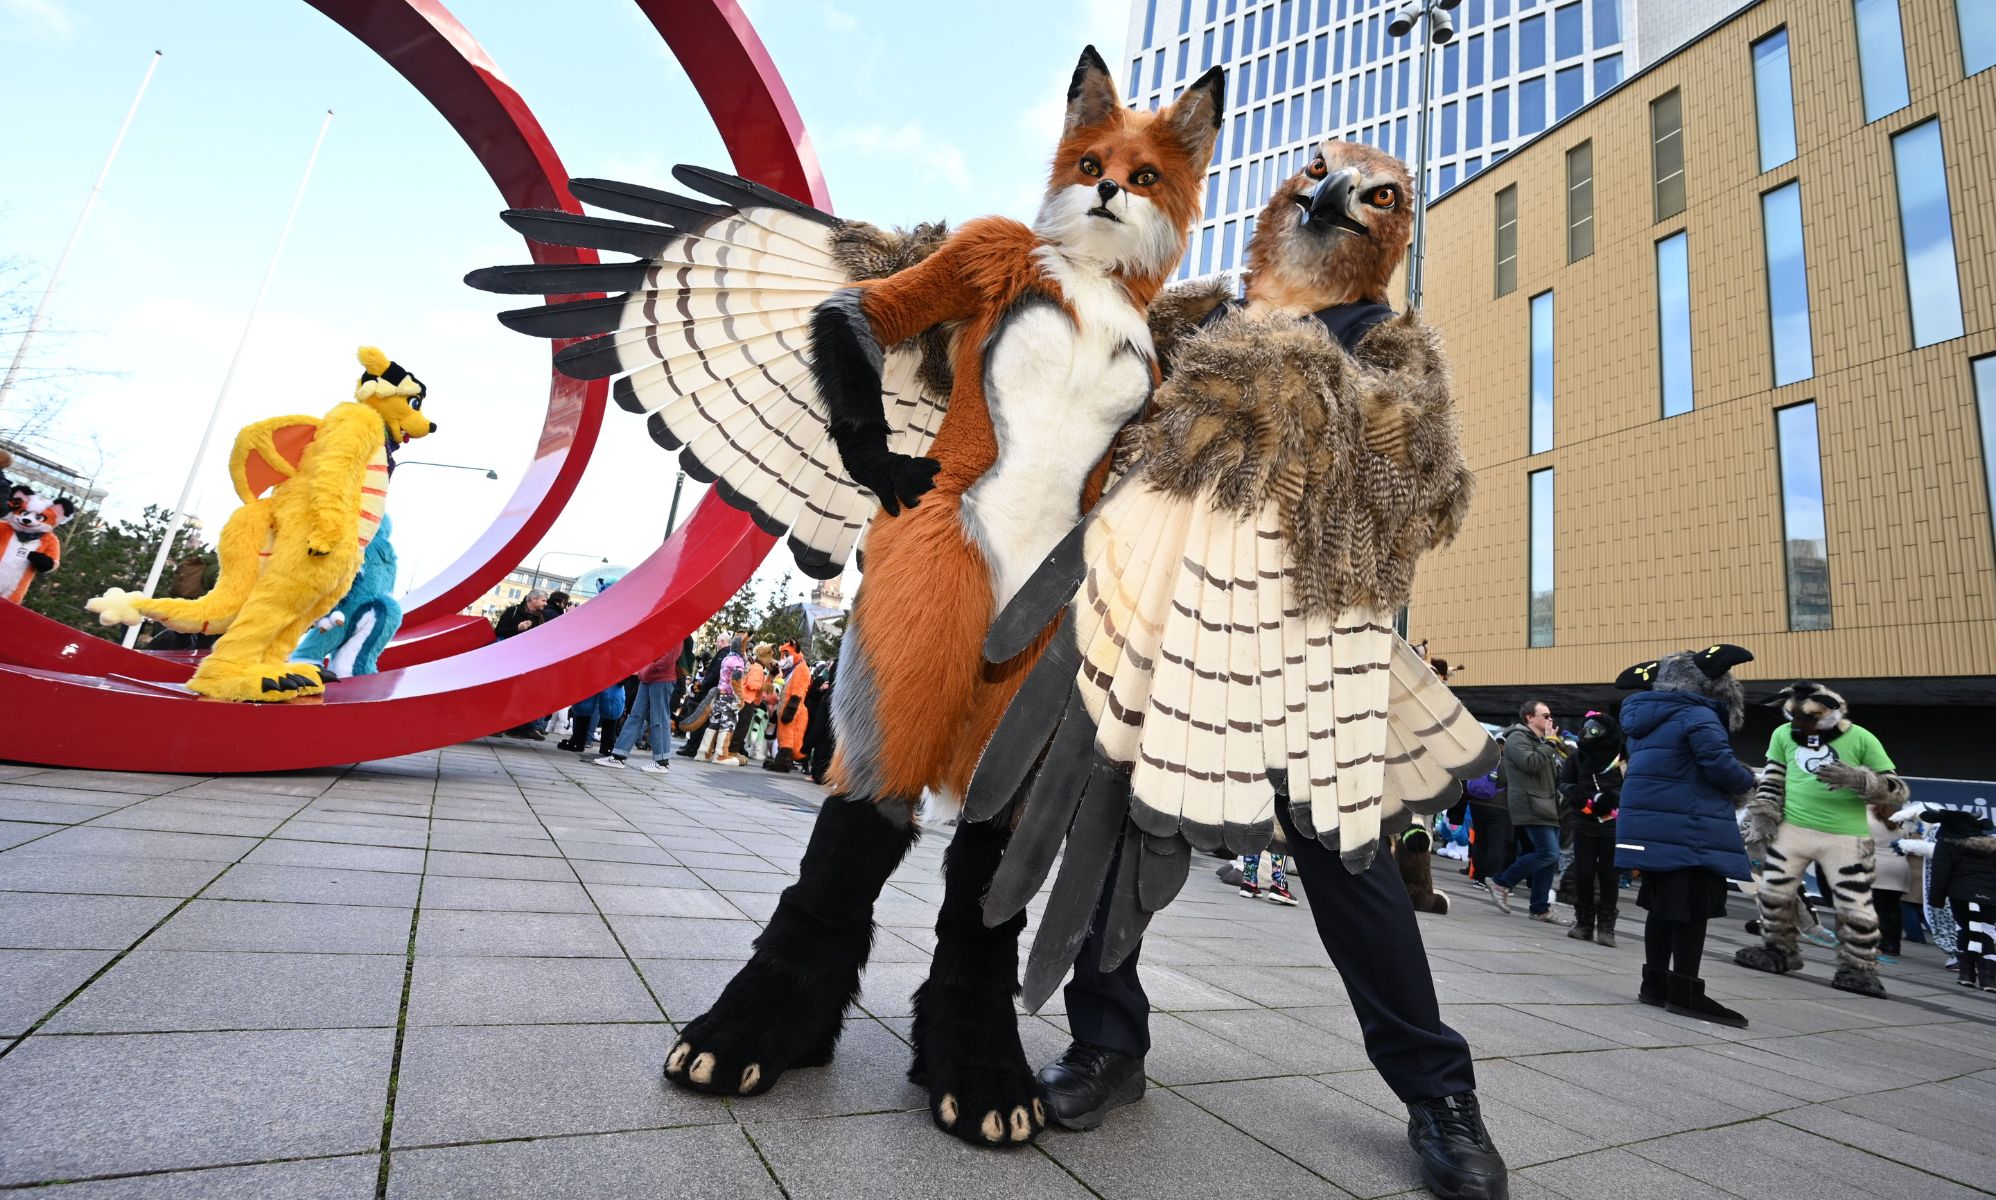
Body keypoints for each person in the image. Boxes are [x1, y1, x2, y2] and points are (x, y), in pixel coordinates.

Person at [1614, 644, 1758, 1029]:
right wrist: (1748, 780)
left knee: (1662, 905)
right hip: (1691, 824)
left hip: (1656, 824)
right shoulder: (1698, 714)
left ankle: (1655, 983)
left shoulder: (1645, 718)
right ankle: (1686, 990)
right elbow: (1718, 764)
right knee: (1694, 907)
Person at [1732, 682, 1904, 998]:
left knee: (1854, 902)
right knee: (1773, 893)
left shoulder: (1861, 737)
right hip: (1792, 830)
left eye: (1810, 718)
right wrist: (1763, 814)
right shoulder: (1782, 734)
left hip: (1846, 836)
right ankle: (1779, 950)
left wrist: (1859, 779)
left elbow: (1896, 790)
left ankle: (1859, 967)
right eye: (1794, 717)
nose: (1800, 725)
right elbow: (1773, 778)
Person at [1483, 700, 1568, 924]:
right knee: (1548, 853)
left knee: (1548, 859)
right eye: (1545, 715)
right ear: (1530, 717)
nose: (1550, 719)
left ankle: (1540, 908)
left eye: (1550, 715)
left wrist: (1553, 744)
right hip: (1532, 805)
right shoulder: (1517, 738)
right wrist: (1550, 743)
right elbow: (1531, 763)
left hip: (1548, 805)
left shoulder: (1542, 741)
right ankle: (1501, 882)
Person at [1558, 711, 1624, 946]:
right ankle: (1584, 923)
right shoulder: (1577, 757)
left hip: (1612, 825)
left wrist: (1611, 798)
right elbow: (1564, 782)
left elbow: (1631, 785)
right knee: (1584, 872)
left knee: (1609, 875)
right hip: (1583, 822)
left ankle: (1606, 928)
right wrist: (1576, 794)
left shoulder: (1621, 757)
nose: (1588, 734)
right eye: (1586, 729)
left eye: (1594, 730)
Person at [593, 646, 677, 773]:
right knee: (635, 716)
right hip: (649, 678)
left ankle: (662, 762)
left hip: (661, 678)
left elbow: (668, 659)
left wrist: (645, 670)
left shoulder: (675, 635)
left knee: (658, 719)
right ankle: (618, 756)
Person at [676, 633, 735, 759]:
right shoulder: (728, 654)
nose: (716, 644)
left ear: (722, 641)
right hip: (713, 690)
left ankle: (693, 747)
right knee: (701, 718)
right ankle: (692, 745)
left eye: (717, 641)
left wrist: (702, 685)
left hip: (710, 691)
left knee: (700, 719)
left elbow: (715, 673)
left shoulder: (723, 655)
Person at [694, 639, 746, 763]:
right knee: (727, 725)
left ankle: (703, 752)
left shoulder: (726, 658)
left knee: (714, 723)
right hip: (730, 697)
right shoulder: (738, 661)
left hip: (719, 695)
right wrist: (740, 698)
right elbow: (736, 680)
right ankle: (720, 755)